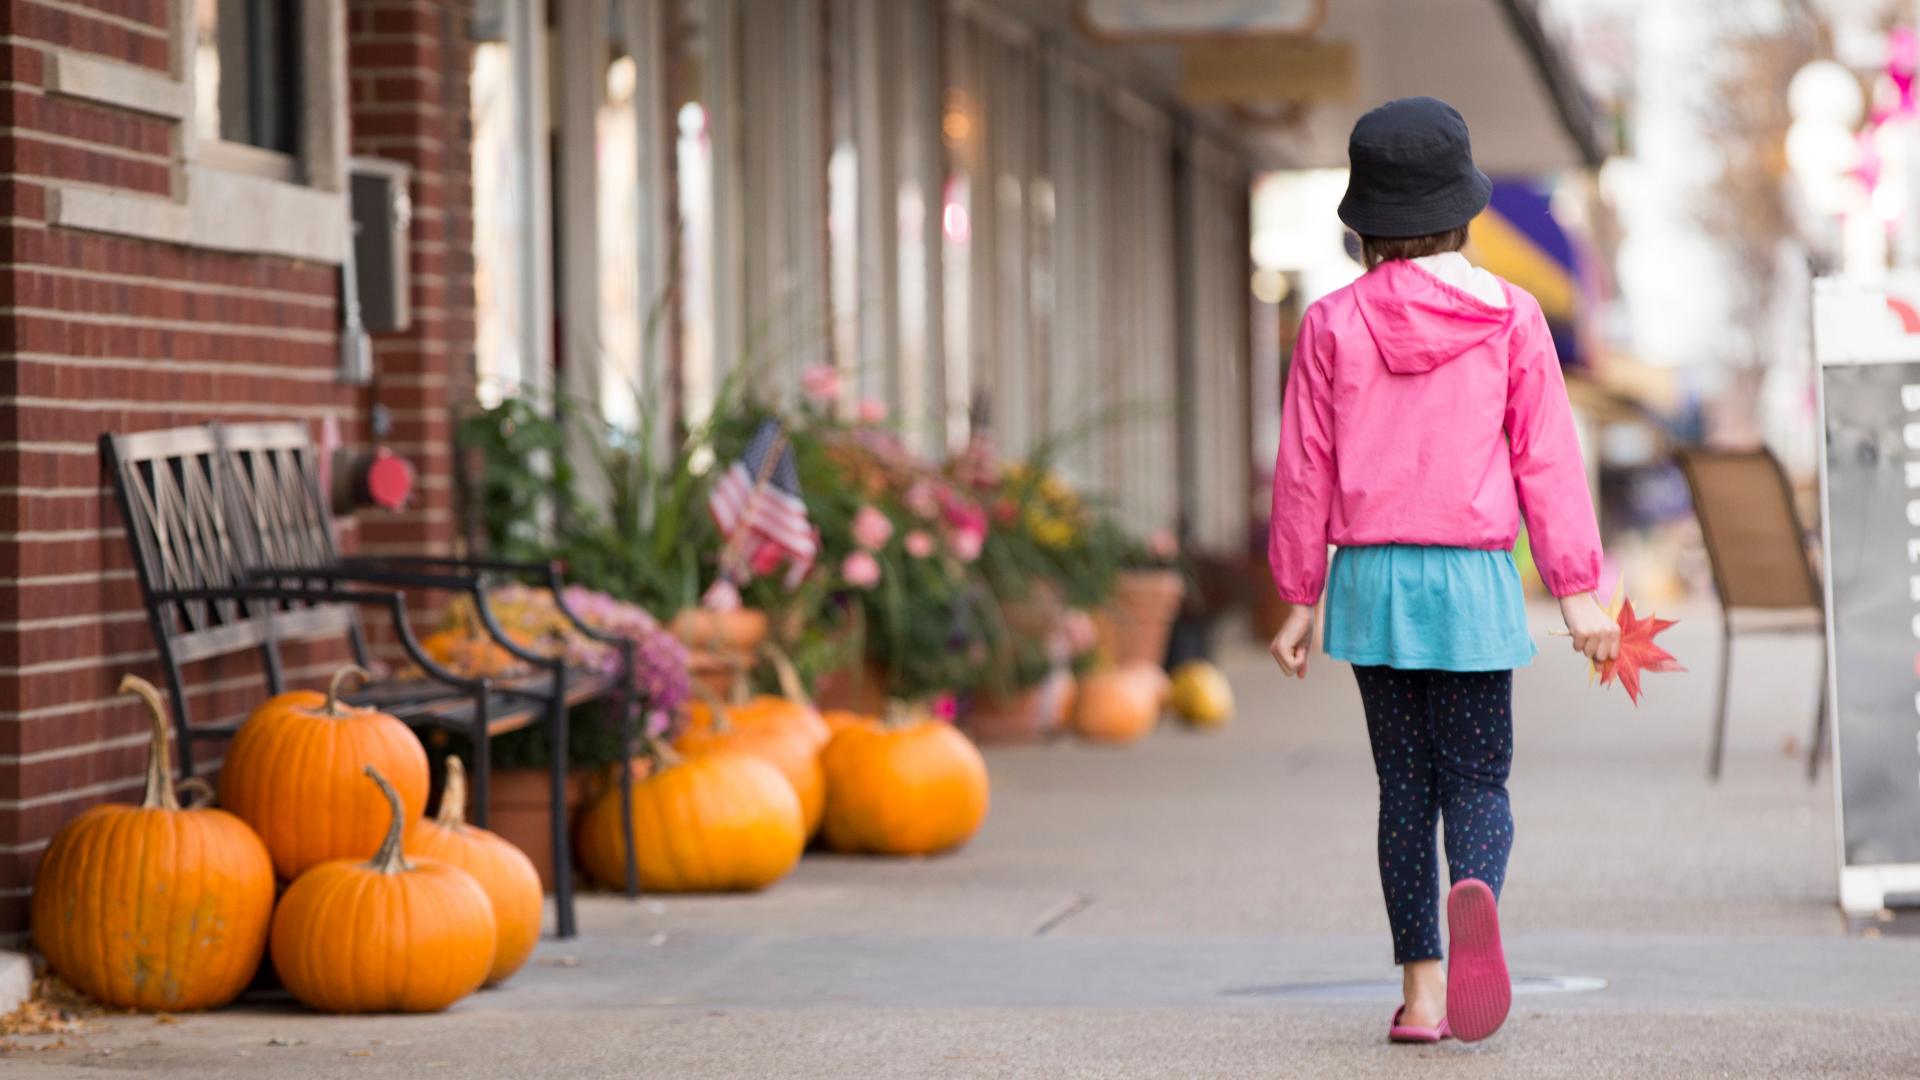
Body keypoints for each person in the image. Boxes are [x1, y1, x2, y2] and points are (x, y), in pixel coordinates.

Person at [1266, 96, 1619, 1045]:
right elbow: (1546, 457)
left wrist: (1299, 597)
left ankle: (1422, 997)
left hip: (1373, 588)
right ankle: (1477, 892)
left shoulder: (1330, 323)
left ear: (1366, 222)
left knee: (1403, 791)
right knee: (1478, 783)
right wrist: (1579, 591)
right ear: (1464, 210)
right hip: (1470, 586)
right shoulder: (1511, 317)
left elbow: (1305, 467)